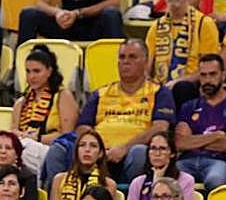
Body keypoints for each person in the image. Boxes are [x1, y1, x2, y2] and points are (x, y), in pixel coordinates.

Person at [74, 40, 176, 183]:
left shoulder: (159, 92)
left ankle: (132, 196)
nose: (125, 62)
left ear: (146, 62)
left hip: (133, 154)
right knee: (63, 148)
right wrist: (98, 146)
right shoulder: (101, 93)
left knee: (139, 152)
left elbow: (160, 128)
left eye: (132, 57)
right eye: (122, 57)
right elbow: (82, 127)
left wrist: (124, 148)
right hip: (101, 153)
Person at [174, 54, 226, 190]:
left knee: (215, 179)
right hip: (187, 161)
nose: (208, 80)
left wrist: (194, 141)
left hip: (221, 161)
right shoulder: (189, 106)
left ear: (223, 75)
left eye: (213, 74)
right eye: (203, 75)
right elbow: (180, 143)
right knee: (169, 180)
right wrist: (215, 136)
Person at [146, 0, 222, 107]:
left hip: (192, 87)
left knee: (182, 87)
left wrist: (179, 81)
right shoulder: (156, 27)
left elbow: (211, 69)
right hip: (160, 87)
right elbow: (146, 67)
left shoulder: (204, 23)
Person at [49, 130, 120, 200]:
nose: (87, 149)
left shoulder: (108, 184)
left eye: (93, 146)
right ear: (76, 151)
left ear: (100, 153)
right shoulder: (59, 179)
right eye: (82, 145)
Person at [11, 45, 78, 147]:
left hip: (50, 148)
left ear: (49, 71)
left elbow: (67, 136)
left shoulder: (63, 96)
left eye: (37, 71)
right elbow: (14, 132)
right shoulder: (21, 102)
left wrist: (35, 139)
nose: (31, 77)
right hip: (23, 148)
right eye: (28, 71)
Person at [125, 133, 193, 200]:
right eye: (153, 148)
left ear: (172, 154)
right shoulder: (138, 182)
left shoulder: (186, 180)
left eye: (162, 149)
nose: (157, 153)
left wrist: (158, 181)